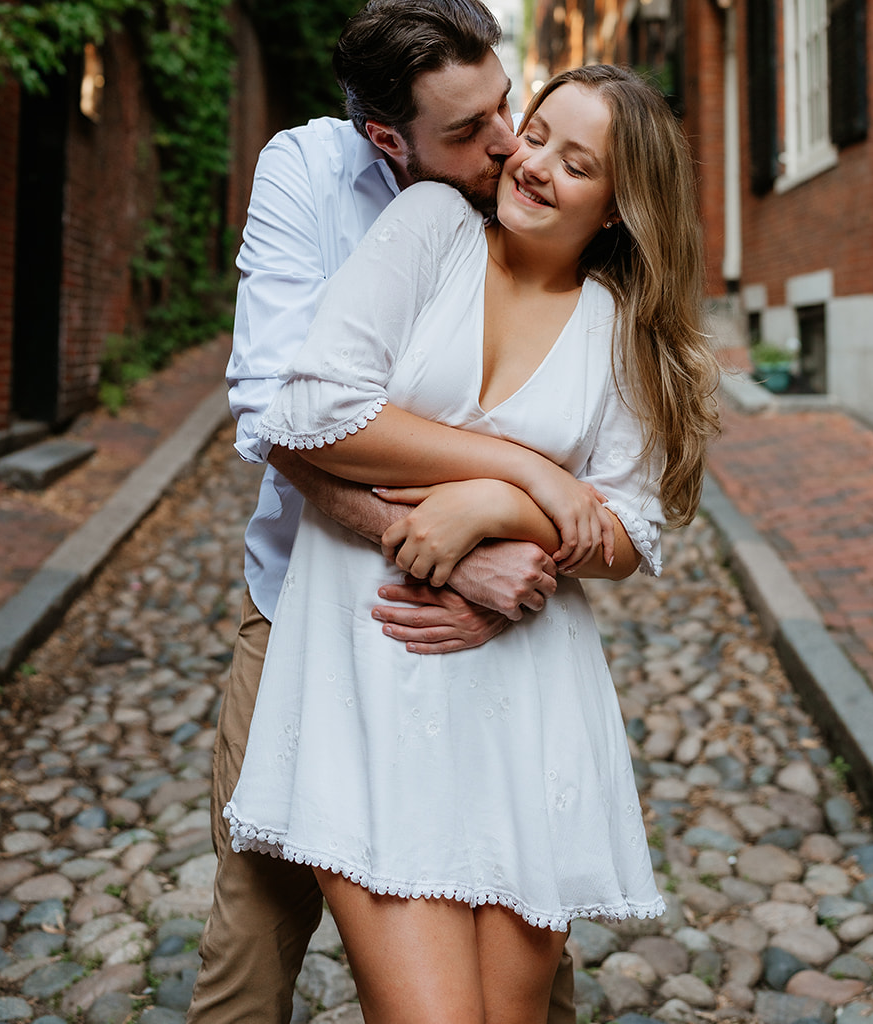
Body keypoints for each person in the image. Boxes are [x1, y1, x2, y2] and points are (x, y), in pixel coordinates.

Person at [225, 64, 720, 1024]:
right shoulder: (432, 232)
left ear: (619, 207)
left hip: (526, 695)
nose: (533, 165)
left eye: (577, 164)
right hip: (371, 663)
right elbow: (315, 411)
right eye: (536, 135)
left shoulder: (617, 330)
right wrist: (525, 475)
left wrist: (487, 508)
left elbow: (629, 529)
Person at [190, 0, 601, 1024]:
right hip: (306, 603)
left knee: (527, 951)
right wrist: (444, 538)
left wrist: (520, 518)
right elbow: (277, 415)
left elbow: (607, 451)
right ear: (386, 136)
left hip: (490, 644)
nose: (508, 145)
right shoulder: (310, 174)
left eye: (506, 105)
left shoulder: (528, 192)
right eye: (468, 131)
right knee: (255, 923)